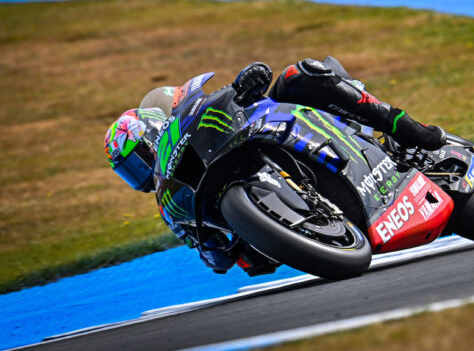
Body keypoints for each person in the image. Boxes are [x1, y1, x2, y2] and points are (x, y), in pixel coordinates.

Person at [104, 57, 445, 274]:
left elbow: (244, 94)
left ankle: (410, 129)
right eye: (129, 171)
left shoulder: (194, 121)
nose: (140, 172)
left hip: (289, 126)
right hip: (283, 240)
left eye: (138, 159)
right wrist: (221, 244)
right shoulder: (171, 205)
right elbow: (216, 261)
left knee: (299, 75)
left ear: (150, 132)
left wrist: (247, 84)